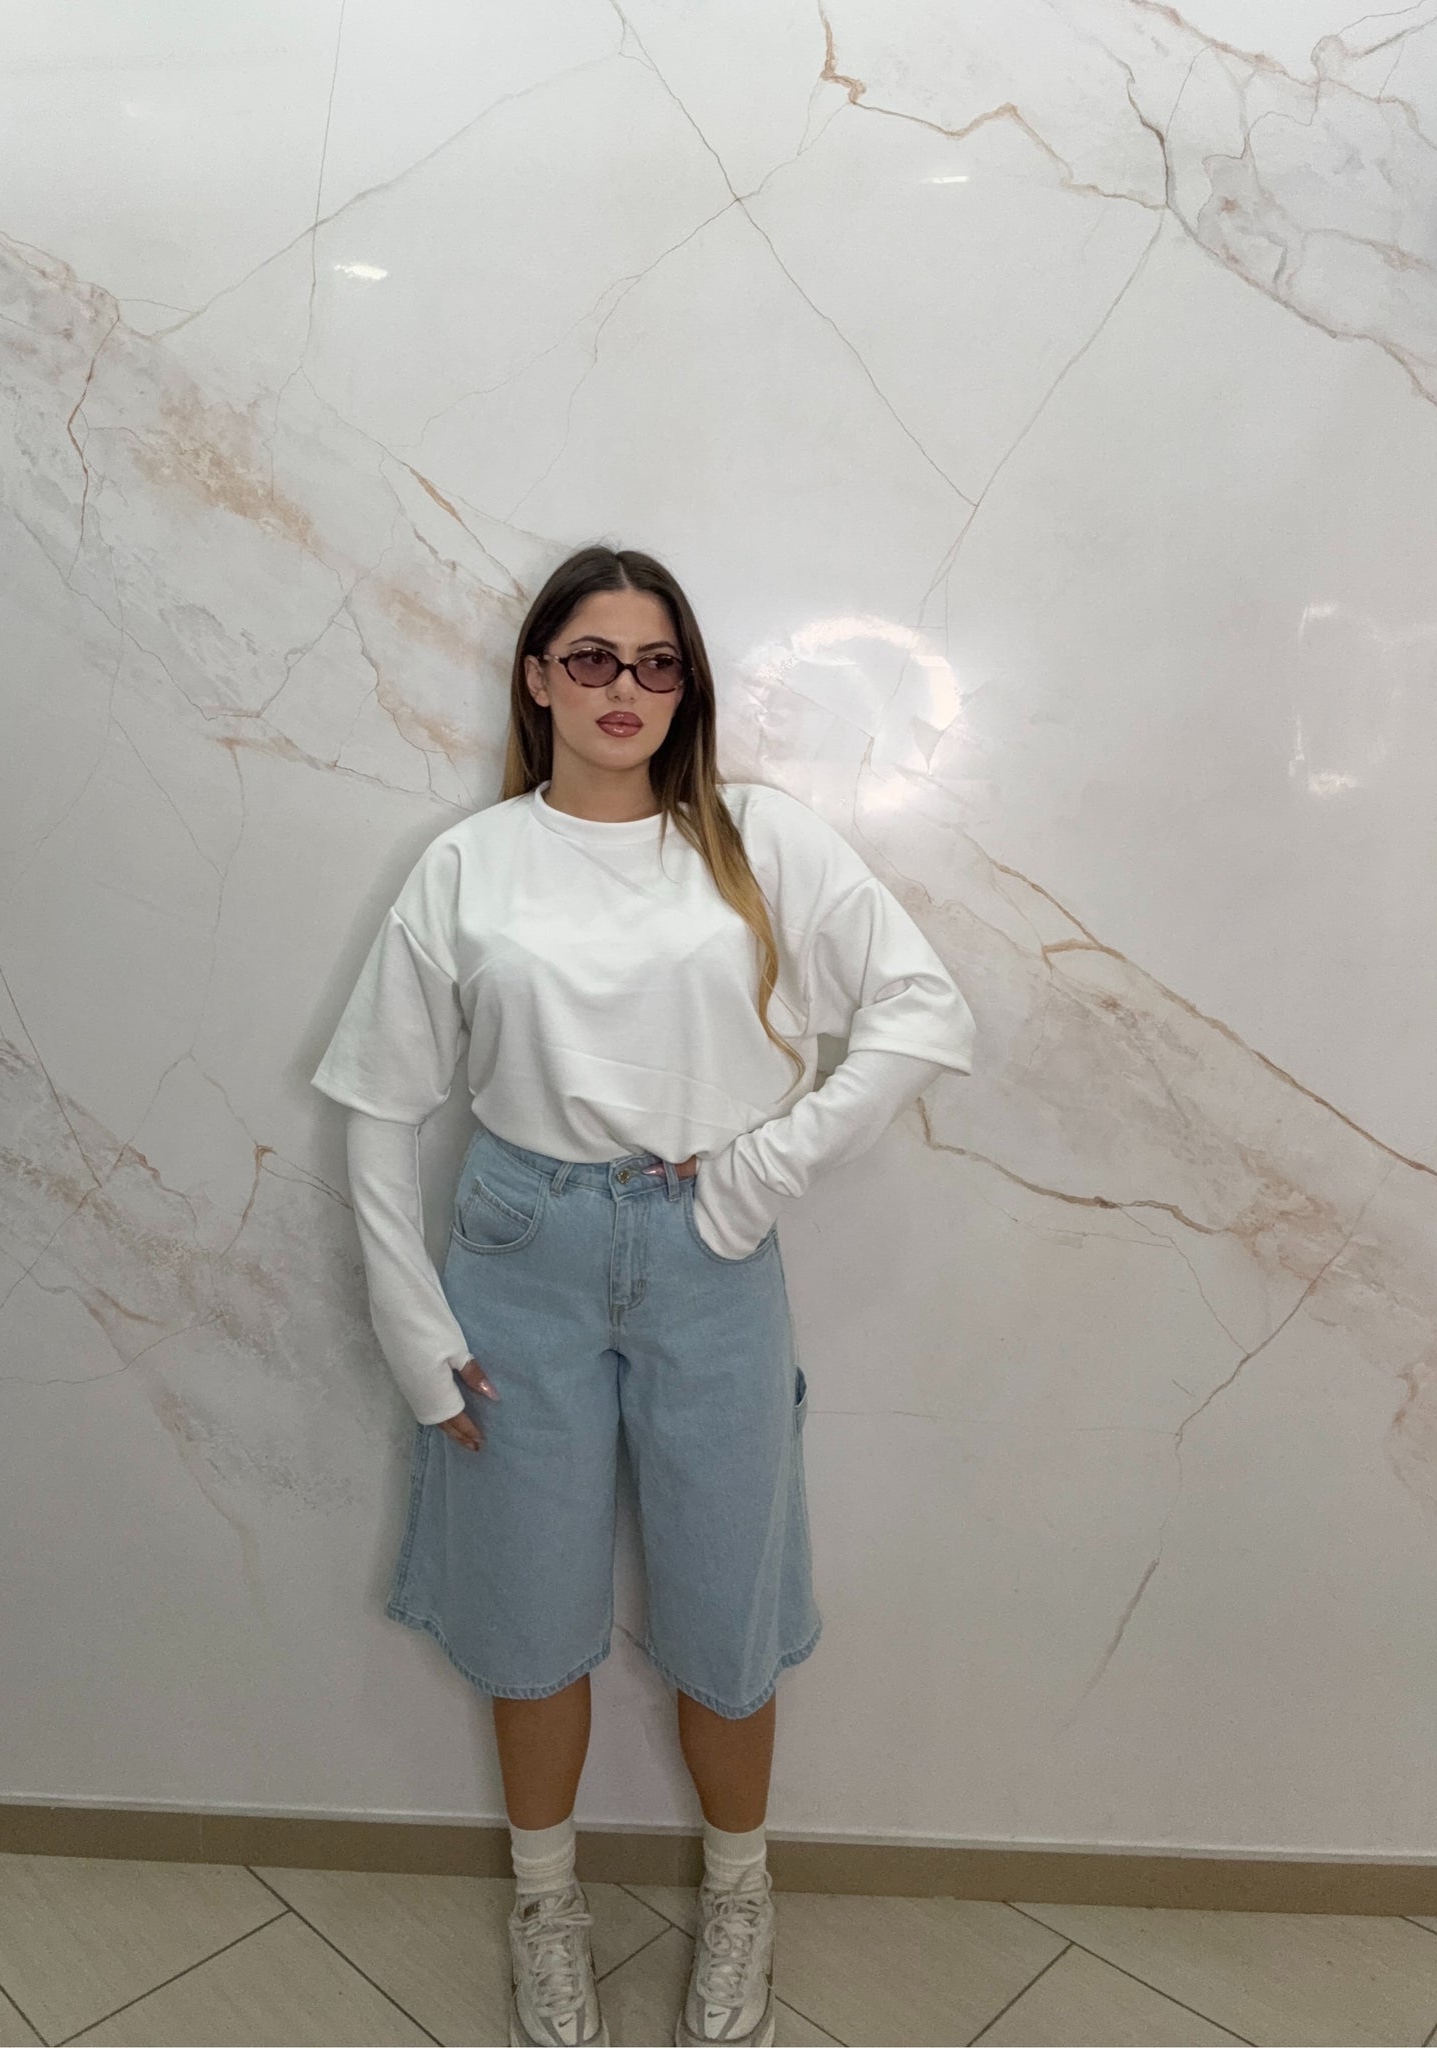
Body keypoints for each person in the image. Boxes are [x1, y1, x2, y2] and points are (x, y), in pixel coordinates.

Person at [310, 545, 977, 2048]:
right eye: (594, 658)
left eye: (658, 662)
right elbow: (379, 1103)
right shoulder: (471, 864)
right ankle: (545, 1908)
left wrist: (758, 1173)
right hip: (517, 1257)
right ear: (538, 676)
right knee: (526, 1605)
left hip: (710, 1263)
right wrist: (413, 1326)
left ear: (690, 688)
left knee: (725, 1605)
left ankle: (739, 1897)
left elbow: (924, 1011)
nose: (627, 688)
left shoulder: (758, 841)